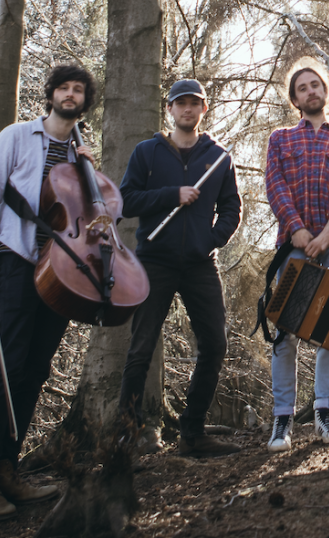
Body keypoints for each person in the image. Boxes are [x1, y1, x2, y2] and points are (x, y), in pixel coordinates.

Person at [0, 65, 96, 522]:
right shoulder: (17, 137)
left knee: (35, 368)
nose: (70, 95)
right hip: (17, 261)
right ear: (51, 95)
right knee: (8, 367)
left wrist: (89, 175)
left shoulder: (82, 153)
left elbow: (86, 219)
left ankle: (9, 469)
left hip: (60, 273)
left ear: (86, 100)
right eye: (64, 88)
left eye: (79, 90)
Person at [117, 78, 243, 457]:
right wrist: (172, 195)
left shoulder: (219, 156)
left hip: (200, 264)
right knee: (140, 348)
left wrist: (209, 241)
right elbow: (126, 201)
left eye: (195, 103)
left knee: (215, 345)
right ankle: (125, 438)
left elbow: (232, 209)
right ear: (169, 109)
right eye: (180, 103)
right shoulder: (147, 152)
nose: (187, 109)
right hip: (154, 260)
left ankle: (191, 433)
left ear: (204, 109)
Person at [264, 59, 329, 451]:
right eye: (302, 88)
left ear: (326, 92)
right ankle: (282, 420)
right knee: (285, 332)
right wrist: (301, 232)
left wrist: (327, 232)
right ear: (294, 99)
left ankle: (324, 412)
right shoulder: (280, 139)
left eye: (315, 85)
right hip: (294, 246)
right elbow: (275, 186)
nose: (310, 92)